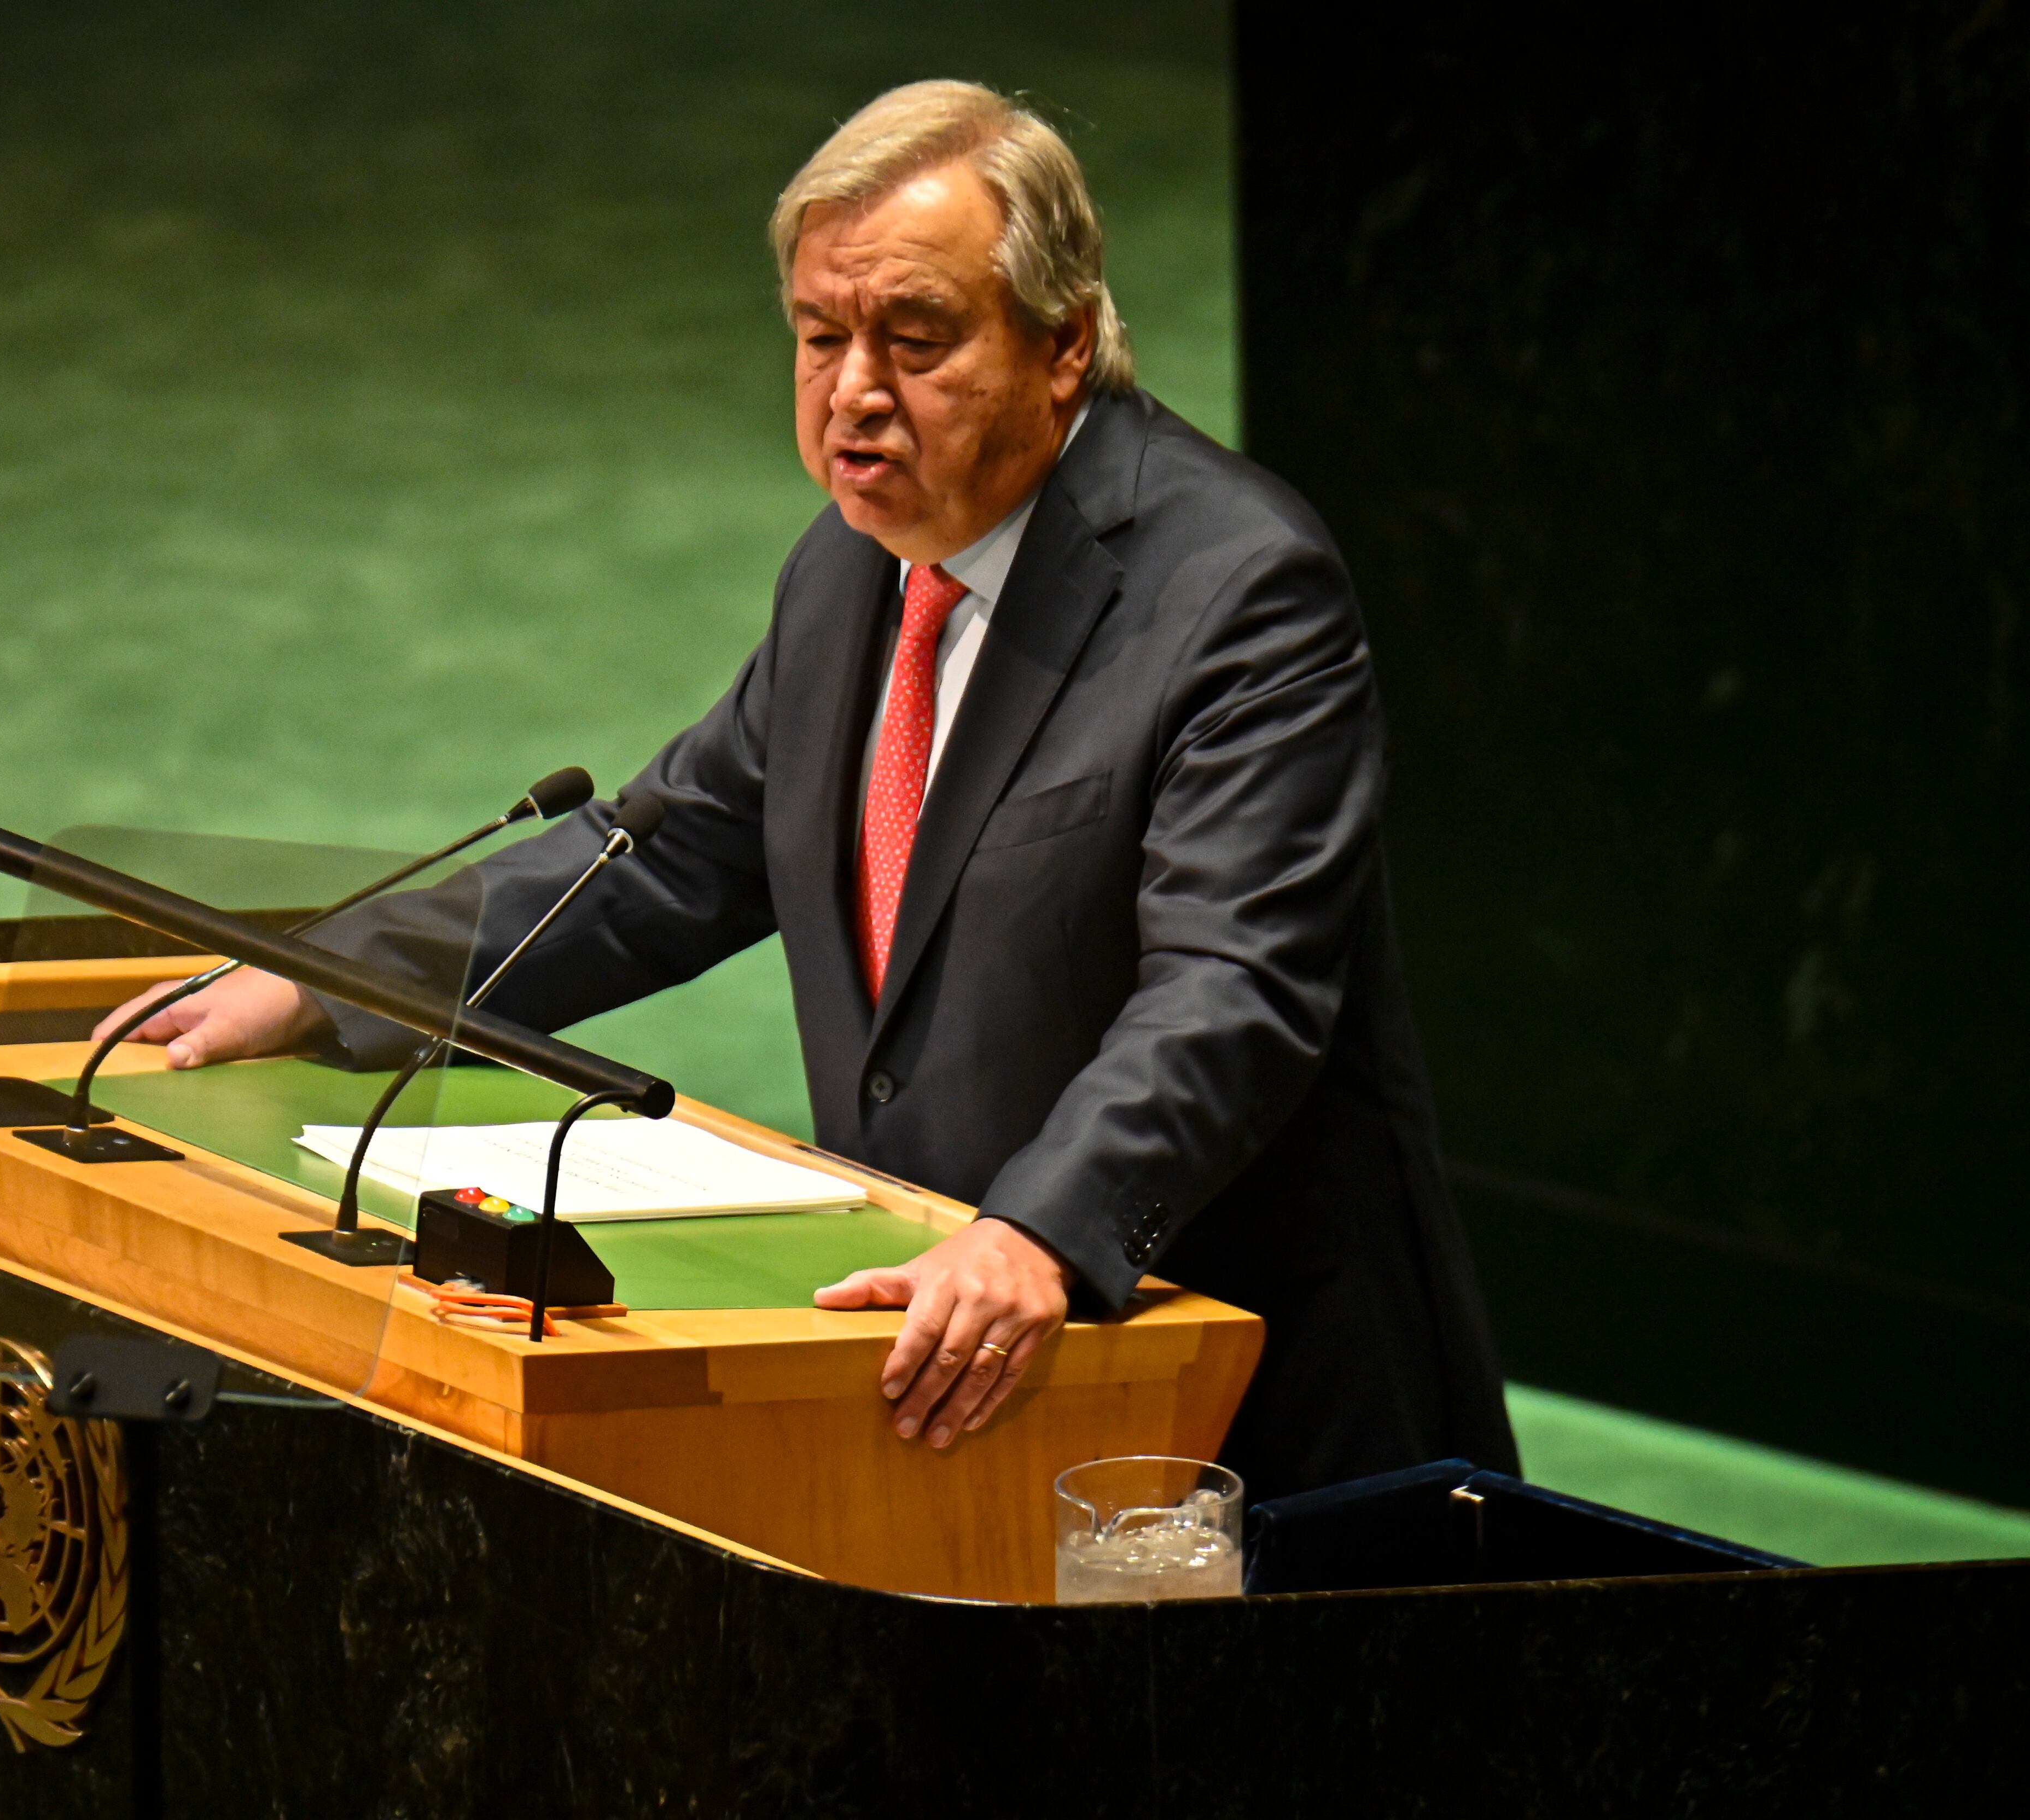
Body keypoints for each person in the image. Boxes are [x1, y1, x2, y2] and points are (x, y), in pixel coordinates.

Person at [102, 80, 1516, 1501]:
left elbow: (1230, 991)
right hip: (936, 1370)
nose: (854, 393)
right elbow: (666, 858)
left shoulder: (1237, 590)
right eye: (821, 335)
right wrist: (333, 977)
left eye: (917, 340)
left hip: (1232, 1407)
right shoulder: (849, 569)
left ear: (1065, 344)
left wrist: (1044, 1227)